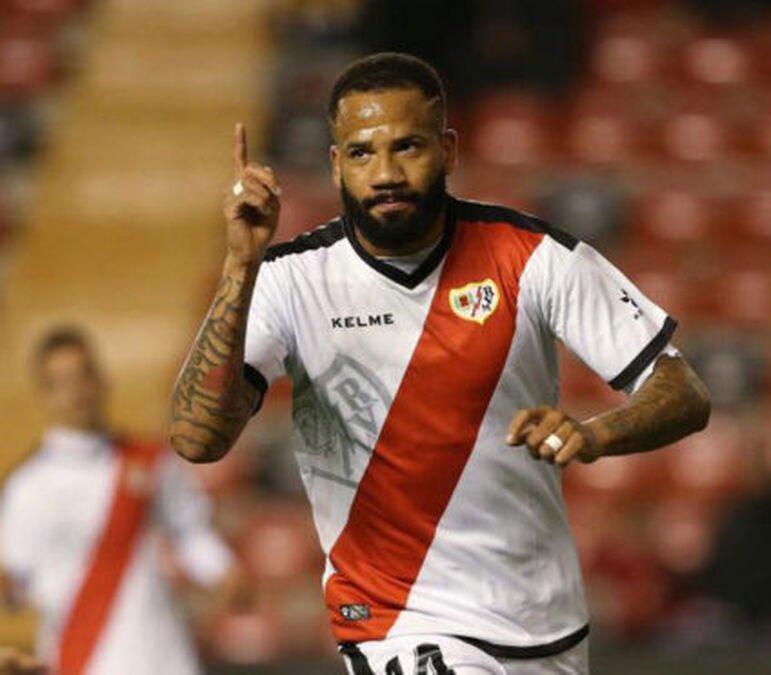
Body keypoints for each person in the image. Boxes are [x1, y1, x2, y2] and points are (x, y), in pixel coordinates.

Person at [169, 52, 711, 675]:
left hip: (547, 629)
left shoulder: (532, 258)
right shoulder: (290, 281)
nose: (386, 173)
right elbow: (195, 438)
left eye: (408, 147)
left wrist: (594, 433)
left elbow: (684, 390)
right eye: (363, 153)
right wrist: (240, 265)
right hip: (401, 626)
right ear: (335, 164)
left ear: (448, 151)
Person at [0, 327, 237, 675]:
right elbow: (15, 583)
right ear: (45, 393)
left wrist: (222, 571)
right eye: (63, 381)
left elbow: (190, 531)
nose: (77, 391)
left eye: (84, 376)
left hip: (160, 653)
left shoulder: (148, 460)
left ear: (101, 379)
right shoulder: (27, 486)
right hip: (81, 656)